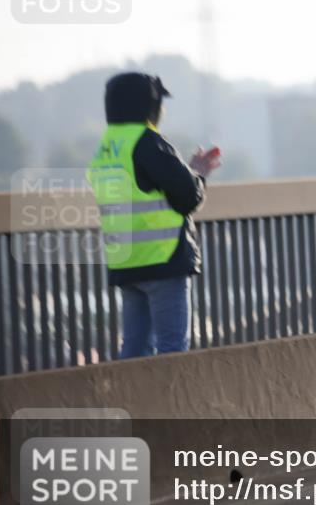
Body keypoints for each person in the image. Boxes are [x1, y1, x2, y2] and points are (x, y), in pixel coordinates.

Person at [87, 72, 221, 358]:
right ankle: (167, 405)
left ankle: (131, 402)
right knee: (172, 350)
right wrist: (199, 175)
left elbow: (144, 188)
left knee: (135, 350)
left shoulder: (107, 147)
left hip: (126, 262)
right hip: (163, 259)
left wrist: (188, 172)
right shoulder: (148, 142)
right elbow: (187, 197)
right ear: (150, 107)